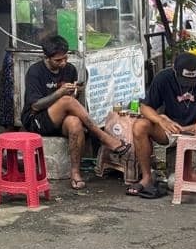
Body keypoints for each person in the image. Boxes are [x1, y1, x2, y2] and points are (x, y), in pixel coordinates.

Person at [21, 35, 130, 190]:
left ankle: (75, 173)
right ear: (46, 57)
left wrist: (74, 92)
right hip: (36, 120)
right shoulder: (35, 71)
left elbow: (72, 100)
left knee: (75, 122)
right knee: (66, 101)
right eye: (58, 60)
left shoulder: (70, 69)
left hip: (60, 119)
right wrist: (60, 93)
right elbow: (36, 106)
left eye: (65, 58)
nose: (63, 63)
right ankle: (102, 136)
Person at [127, 51, 196, 199]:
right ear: (174, 69)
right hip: (171, 129)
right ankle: (146, 177)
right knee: (140, 126)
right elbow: (145, 107)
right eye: (184, 79)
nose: (188, 85)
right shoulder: (163, 77)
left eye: (193, 80)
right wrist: (160, 120)